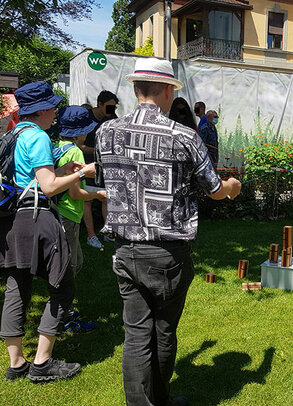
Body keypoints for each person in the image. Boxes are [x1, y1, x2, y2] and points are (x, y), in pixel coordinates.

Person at [97, 57, 241, 406]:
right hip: (167, 254)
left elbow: (111, 183)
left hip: (125, 249)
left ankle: (150, 401)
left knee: (136, 335)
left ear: (135, 88)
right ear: (165, 90)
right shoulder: (184, 136)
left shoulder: (105, 132)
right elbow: (214, 190)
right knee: (162, 331)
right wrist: (232, 186)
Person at [0, 81, 96, 383]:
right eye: (53, 107)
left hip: (8, 221)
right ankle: (43, 361)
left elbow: (31, 178)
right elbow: (47, 189)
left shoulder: (13, 133)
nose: (55, 112)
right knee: (63, 286)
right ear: (44, 110)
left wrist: (62, 171)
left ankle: (17, 363)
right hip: (35, 218)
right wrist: (83, 172)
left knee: (16, 287)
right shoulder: (37, 137)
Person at [55, 105, 107, 332]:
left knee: (74, 263)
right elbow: (76, 193)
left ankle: (63, 311)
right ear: (79, 132)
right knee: (69, 266)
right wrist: (99, 194)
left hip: (59, 212)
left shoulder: (57, 147)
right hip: (68, 214)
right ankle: (63, 316)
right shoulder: (75, 153)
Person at [80, 90, 119, 250]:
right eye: (110, 107)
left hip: (105, 166)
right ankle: (91, 235)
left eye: (115, 107)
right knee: (87, 201)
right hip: (86, 165)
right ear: (100, 104)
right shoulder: (85, 118)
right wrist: (97, 150)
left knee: (106, 199)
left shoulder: (112, 118)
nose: (112, 111)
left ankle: (107, 232)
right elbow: (79, 145)